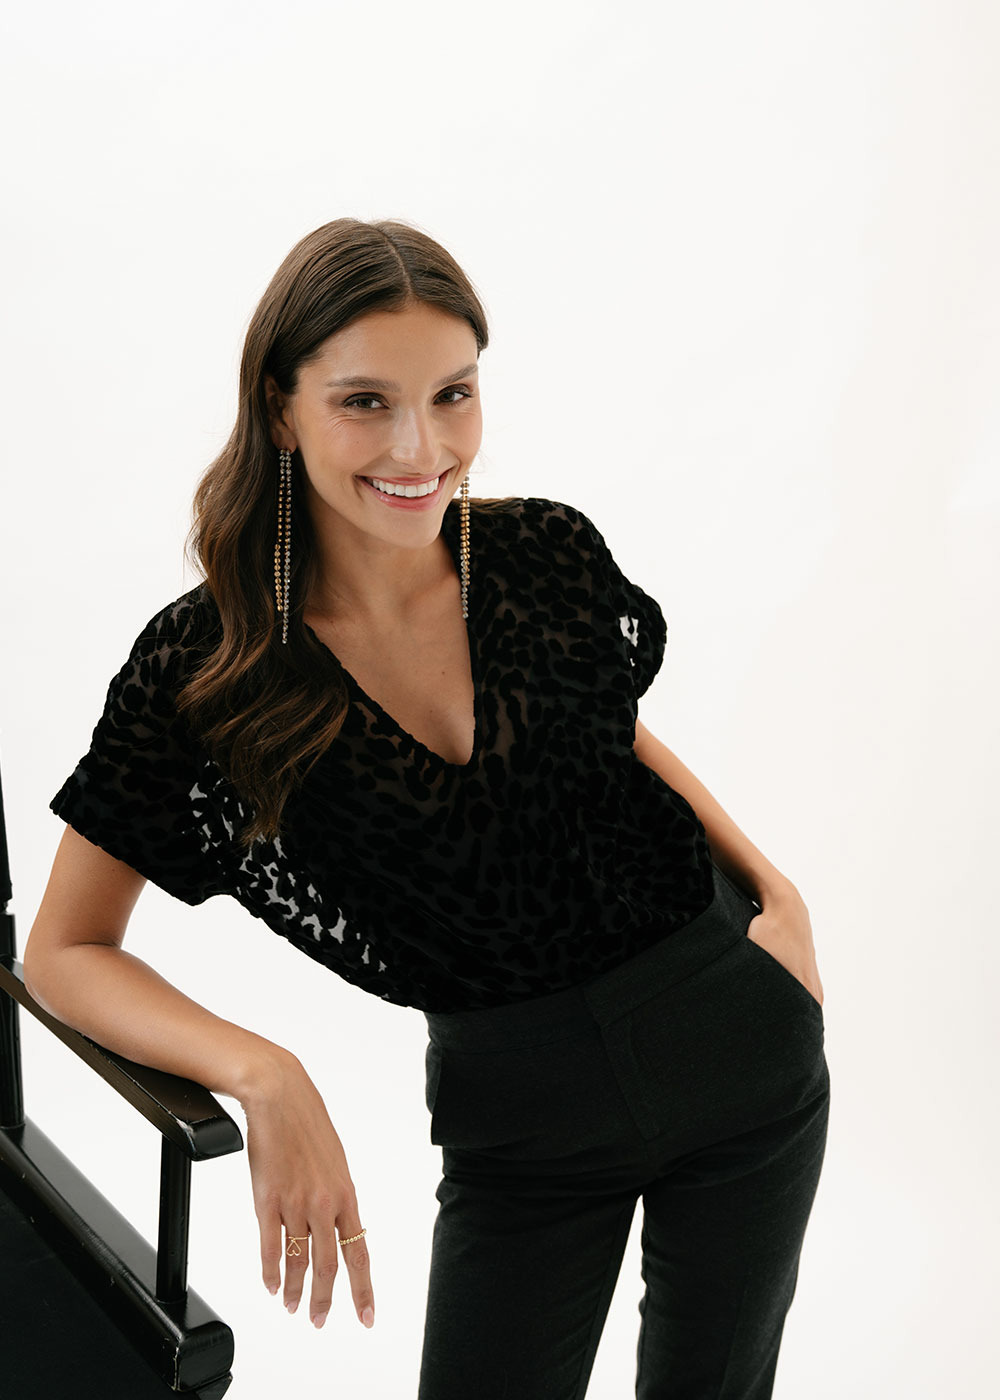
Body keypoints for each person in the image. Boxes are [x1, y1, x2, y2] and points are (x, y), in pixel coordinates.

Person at [23, 217, 830, 1400]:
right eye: (366, 401)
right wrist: (263, 1070)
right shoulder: (209, 668)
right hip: (521, 1122)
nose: (422, 446)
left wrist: (774, 890)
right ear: (280, 407)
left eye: (453, 393)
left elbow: (612, 739)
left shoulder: (543, 550)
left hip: (738, 1044)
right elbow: (64, 949)